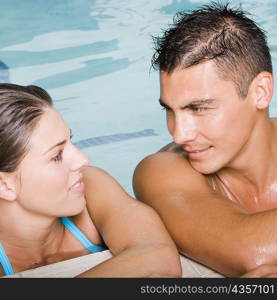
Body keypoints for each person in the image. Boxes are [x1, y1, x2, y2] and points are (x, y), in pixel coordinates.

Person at [132, 2, 277, 278]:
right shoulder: (160, 171)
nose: (178, 134)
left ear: (260, 91)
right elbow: (249, 249)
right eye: (169, 110)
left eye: (198, 108)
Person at [0, 83, 182, 277]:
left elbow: (159, 256)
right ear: (4, 185)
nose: (83, 160)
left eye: (70, 141)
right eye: (57, 155)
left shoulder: (93, 186)